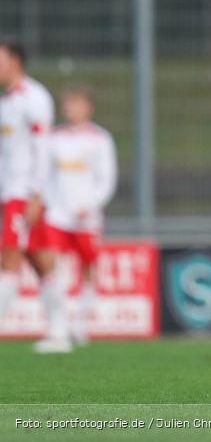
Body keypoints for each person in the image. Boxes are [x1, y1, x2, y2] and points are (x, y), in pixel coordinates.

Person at [0, 39, 66, 353]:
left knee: (8, 257)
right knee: (39, 260)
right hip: (9, 192)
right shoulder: (8, 102)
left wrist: (37, 194)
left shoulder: (34, 97)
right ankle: (60, 332)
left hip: (25, 194)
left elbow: (43, 148)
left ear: (15, 61)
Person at [44, 84, 117, 347]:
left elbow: (106, 180)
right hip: (57, 215)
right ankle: (58, 324)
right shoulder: (54, 138)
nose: (72, 109)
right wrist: (50, 205)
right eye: (68, 104)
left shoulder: (101, 139)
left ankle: (82, 323)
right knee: (52, 264)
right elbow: (46, 176)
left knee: (87, 267)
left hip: (87, 216)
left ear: (89, 107)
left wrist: (91, 203)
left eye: (77, 104)